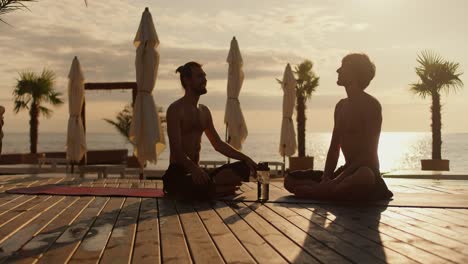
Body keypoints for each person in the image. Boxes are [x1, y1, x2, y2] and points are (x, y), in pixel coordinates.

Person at [284, 53, 393, 200]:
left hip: (365, 171)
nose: (338, 71)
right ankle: (328, 190)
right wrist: (326, 179)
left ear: (355, 73)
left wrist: (335, 181)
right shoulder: (341, 106)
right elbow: (334, 148)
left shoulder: (371, 105)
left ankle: (321, 192)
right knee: (289, 180)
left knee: (364, 176)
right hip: (345, 172)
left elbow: (368, 155)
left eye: (343, 67)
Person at [164, 61, 257, 199]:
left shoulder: (204, 111)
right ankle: (218, 188)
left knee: (243, 167)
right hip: (179, 172)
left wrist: (246, 158)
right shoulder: (176, 109)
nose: (205, 80)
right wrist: (193, 169)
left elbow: (218, 144)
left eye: (204, 76)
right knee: (196, 186)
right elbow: (177, 150)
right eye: (200, 76)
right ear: (187, 80)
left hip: (199, 172)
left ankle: (215, 187)